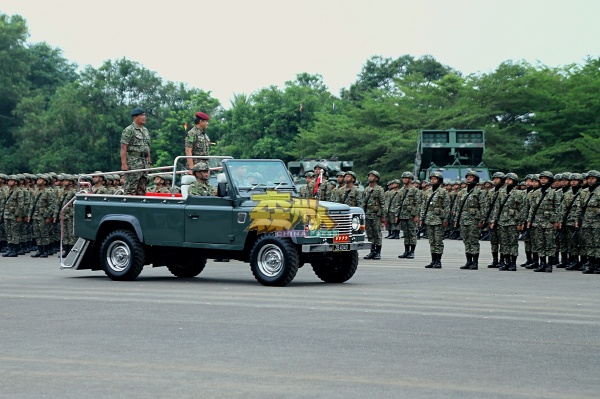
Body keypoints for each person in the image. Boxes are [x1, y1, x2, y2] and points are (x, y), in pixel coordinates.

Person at [526, 171, 561, 273]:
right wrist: (529, 220)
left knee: (550, 243)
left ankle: (549, 264)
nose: (543, 180)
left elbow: (558, 208)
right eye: (541, 178)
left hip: (549, 222)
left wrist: (555, 221)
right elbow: (532, 208)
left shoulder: (554, 193)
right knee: (539, 243)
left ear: (549, 180)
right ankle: (542, 263)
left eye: (545, 178)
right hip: (537, 221)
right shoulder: (536, 193)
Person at [491, 172, 525, 271]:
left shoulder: (518, 193)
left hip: (513, 221)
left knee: (513, 243)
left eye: (510, 180)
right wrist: (494, 220)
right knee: (504, 242)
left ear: (514, 181)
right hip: (502, 220)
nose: (507, 181)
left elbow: (522, 209)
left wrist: (520, 223)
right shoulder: (501, 192)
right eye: (506, 179)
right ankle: (506, 262)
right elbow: (497, 208)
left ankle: (513, 263)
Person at [454, 170, 487, 270]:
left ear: (475, 179)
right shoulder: (462, 192)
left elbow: (483, 207)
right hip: (464, 219)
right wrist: (456, 220)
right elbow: (458, 207)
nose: (468, 178)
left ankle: (475, 262)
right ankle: (468, 261)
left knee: (474, 240)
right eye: (467, 177)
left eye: (471, 177)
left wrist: (482, 220)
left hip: (474, 219)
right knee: (466, 240)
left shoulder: (479, 192)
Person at [420, 171, 450, 269]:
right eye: (431, 178)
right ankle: (433, 260)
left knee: (438, 241)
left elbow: (447, 206)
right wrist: (421, 218)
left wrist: (445, 219)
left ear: (439, 180)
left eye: (435, 178)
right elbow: (424, 206)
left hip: (438, 219)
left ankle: (438, 261)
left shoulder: (443, 192)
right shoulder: (428, 192)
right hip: (429, 218)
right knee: (431, 241)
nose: (432, 180)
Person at [120, 107, 151, 195]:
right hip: (133, 163)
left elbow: (147, 147)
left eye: (144, 115)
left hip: (144, 162)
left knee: (142, 188)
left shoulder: (145, 130)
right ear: (135, 117)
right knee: (131, 188)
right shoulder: (129, 130)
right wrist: (124, 164)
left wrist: (149, 161)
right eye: (141, 115)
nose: (144, 117)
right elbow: (123, 147)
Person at [396, 172, 420, 259]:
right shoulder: (401, 190)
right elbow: (398, 203)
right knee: (406, 234)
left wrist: (415, 215)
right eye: (403, 178)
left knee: (412, 233)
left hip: (411, 215)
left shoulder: (415, 190)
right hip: (403, 214)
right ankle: (406, 251)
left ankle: (412, 251)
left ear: (410, 179)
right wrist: (396, 215)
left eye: (406, 178)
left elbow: (417, 203)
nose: (404, 179)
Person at [362, 170, 385, 260]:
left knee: (377, 233)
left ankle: (378, 252)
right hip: (367, 214)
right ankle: (372, 251)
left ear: (376, 178)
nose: (370, 177)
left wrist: (383, 216)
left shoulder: (379, 189)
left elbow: (382, 203)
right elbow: (363, 202)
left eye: (372, 176)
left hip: (376, 214)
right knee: (370, 234)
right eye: (369, 176)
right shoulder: (366, 189)